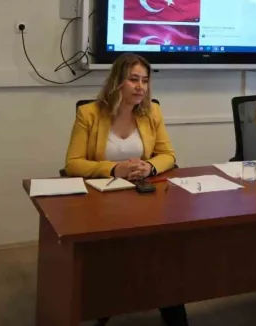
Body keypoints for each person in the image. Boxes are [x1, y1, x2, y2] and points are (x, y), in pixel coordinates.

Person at [64, 53, 187, 326]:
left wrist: (149, 167)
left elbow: (168, 155)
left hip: (144, 197)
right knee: (118, 253)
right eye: (133, 79)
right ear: (117, 81)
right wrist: (113, 169)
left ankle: (170, 306)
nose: (140, 87)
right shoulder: (89, 114)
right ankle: (105, 303)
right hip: (101, 200)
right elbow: (73, 163)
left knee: (164, 249)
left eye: (145, 80)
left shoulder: (152, 112)